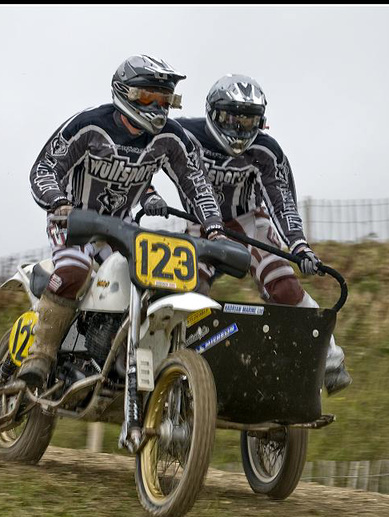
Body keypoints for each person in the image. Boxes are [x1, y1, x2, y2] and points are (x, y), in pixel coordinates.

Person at [18, 55, 226, 389]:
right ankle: (40, 356)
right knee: (73, 271)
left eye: (165, 99)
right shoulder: (89, 126)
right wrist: (59, 203)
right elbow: (45, 169)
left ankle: (125, 356)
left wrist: (214, 227)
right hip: (74, 223)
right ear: (123, 92)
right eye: (148, 97)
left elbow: (196, 183)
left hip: (122, 228)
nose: (158, 106)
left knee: (155, 282)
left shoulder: (171, 138)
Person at [172, 74, 352, 395]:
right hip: (199, 224)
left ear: (262, 122)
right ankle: (185, 359)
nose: (240, 129)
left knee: (284, 286)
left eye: (249, 120)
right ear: (213, 113)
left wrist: (300, 247)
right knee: (191, 292)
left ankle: (330, 358)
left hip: (250, 223)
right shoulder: (184, 134)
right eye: (232, 118)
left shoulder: (266, 151)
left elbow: (282, 201)